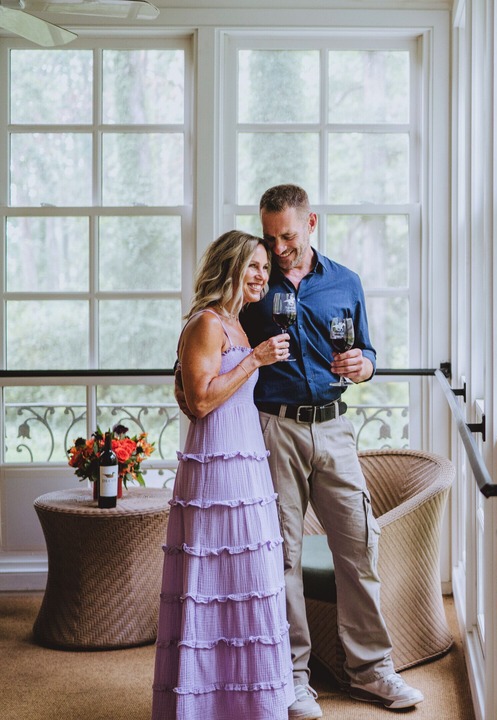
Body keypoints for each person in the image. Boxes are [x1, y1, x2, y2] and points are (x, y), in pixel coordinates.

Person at [240, 184, 424, 719]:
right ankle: (293, 680)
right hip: (275, 430)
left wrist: (364, 366)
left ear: (311, 222)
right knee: (284, 558)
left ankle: (372, 672)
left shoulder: (345, 282)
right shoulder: (253, 282)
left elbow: (367, 351)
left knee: (359, 548)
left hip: (336, 429)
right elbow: (221, 333)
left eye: (288, 237)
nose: (278, 250)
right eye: (270, 238)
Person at [153, 231, 294, 719]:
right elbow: (201, 401)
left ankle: (249, 706)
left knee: (251, 584)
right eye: (252, 266)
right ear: (228, 267)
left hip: (248, 466)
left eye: (264, 267)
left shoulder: (237, 324)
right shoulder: (207, 323)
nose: (262, 275)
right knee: (212, 586)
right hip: (216, 472)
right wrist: (255, 359)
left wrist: (254, 353)